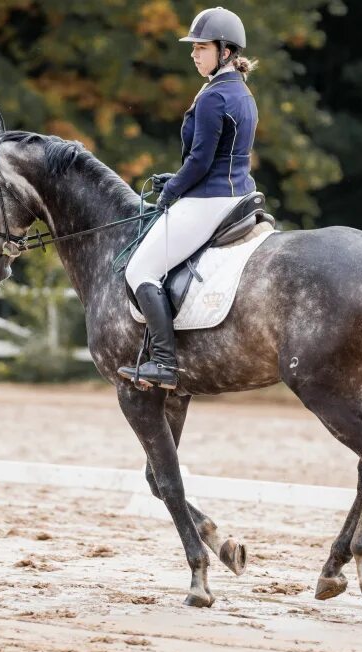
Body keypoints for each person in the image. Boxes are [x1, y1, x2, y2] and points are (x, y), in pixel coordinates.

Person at [117, 7, 259, 390]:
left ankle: (164, 362)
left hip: (209, 201)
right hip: (238, 192)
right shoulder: (241, 92)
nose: (194, 54)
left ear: (225, 51)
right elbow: (222, 158)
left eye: (201, 47)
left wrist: (172, 191)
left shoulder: (214, 97)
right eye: (193, 48)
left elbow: (200, 161)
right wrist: (177, 179)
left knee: (139, 271)